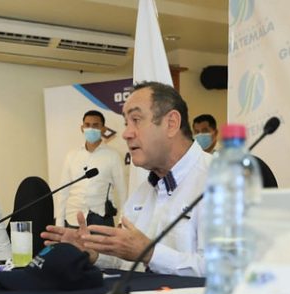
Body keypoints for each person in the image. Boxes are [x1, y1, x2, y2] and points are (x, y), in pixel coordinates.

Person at [42, 81, 211, 276]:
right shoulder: (143, 192)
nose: (126, 134)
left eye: (136, 120)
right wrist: (92, 254)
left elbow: (227, 271)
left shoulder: (222, 181)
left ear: (171, 123)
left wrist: (149, 253)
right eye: (126, 123)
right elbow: (126, 263)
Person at [55, 110, 127, 227]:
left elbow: (122, 192)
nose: (91, 129)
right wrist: (59, 222)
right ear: (82, 128)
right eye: (87, 125)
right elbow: (63, 191)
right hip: (73, 218)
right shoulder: (71, 156)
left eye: (95, 125)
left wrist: (121, 222)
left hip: (101, 219)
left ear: (103, 129)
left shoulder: (113, 156)